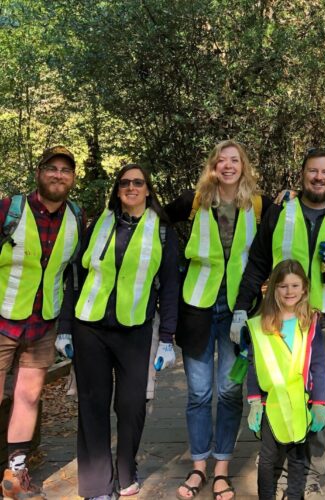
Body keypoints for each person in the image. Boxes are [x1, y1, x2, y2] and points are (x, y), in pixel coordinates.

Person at [232, 148, 325, 499]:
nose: (319, 177)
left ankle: (311, 480)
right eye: (312, 171)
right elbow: (258, 262)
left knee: (320, 405)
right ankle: (275, 472)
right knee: (277, 397)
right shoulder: (280, 211)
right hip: (280, 322)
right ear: (302, 174)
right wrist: (241, 309)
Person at [166, 140, 272, 500]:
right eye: (221, 160)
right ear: (212, 166)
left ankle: (222, 470)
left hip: (238, 309)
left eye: (235, 160)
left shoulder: (258, 204)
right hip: (196, 307)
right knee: (199, 393)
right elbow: (155, 217)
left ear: (244, 166)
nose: (228, 166)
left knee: (229, 392)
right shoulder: (195, 200)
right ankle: (198, 468)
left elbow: (284, 230)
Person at [72, 163, 179, 500]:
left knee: (132, 403)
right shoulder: (100, 223)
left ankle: (125, 466)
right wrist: (64, 328)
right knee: (93, 404)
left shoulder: (162, 230)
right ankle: (97, 485)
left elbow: (171, 287)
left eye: (138, 183)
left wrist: (167, 339)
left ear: (148, 189)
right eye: (125, 183)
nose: (131, 188)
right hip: (89, 326)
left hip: (135, 329)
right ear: (117, 190)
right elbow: (75, 273)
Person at [0, 146, 83, 499]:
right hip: (3, 320)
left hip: (43, 324)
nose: (58, 175)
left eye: (66, 170)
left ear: (72, 179)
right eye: (52, 168)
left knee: (29, 396)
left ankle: (15, 476)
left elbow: (71, 275)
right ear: (39, 172)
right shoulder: (10, 209)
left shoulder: (76, 217)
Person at [246, 259, 325, 500]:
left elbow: (319, 364)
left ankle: (294, 496)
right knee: (268, 458)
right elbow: (254, 364)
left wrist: (319, 403)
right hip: (270, 403)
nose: (289, 291)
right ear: (273, 289)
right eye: (283, 286)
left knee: (298, 455)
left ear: (304, 288)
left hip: (300, 402)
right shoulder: (261, 324)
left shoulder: (311, 322)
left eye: (294, 285)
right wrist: (253, 401)